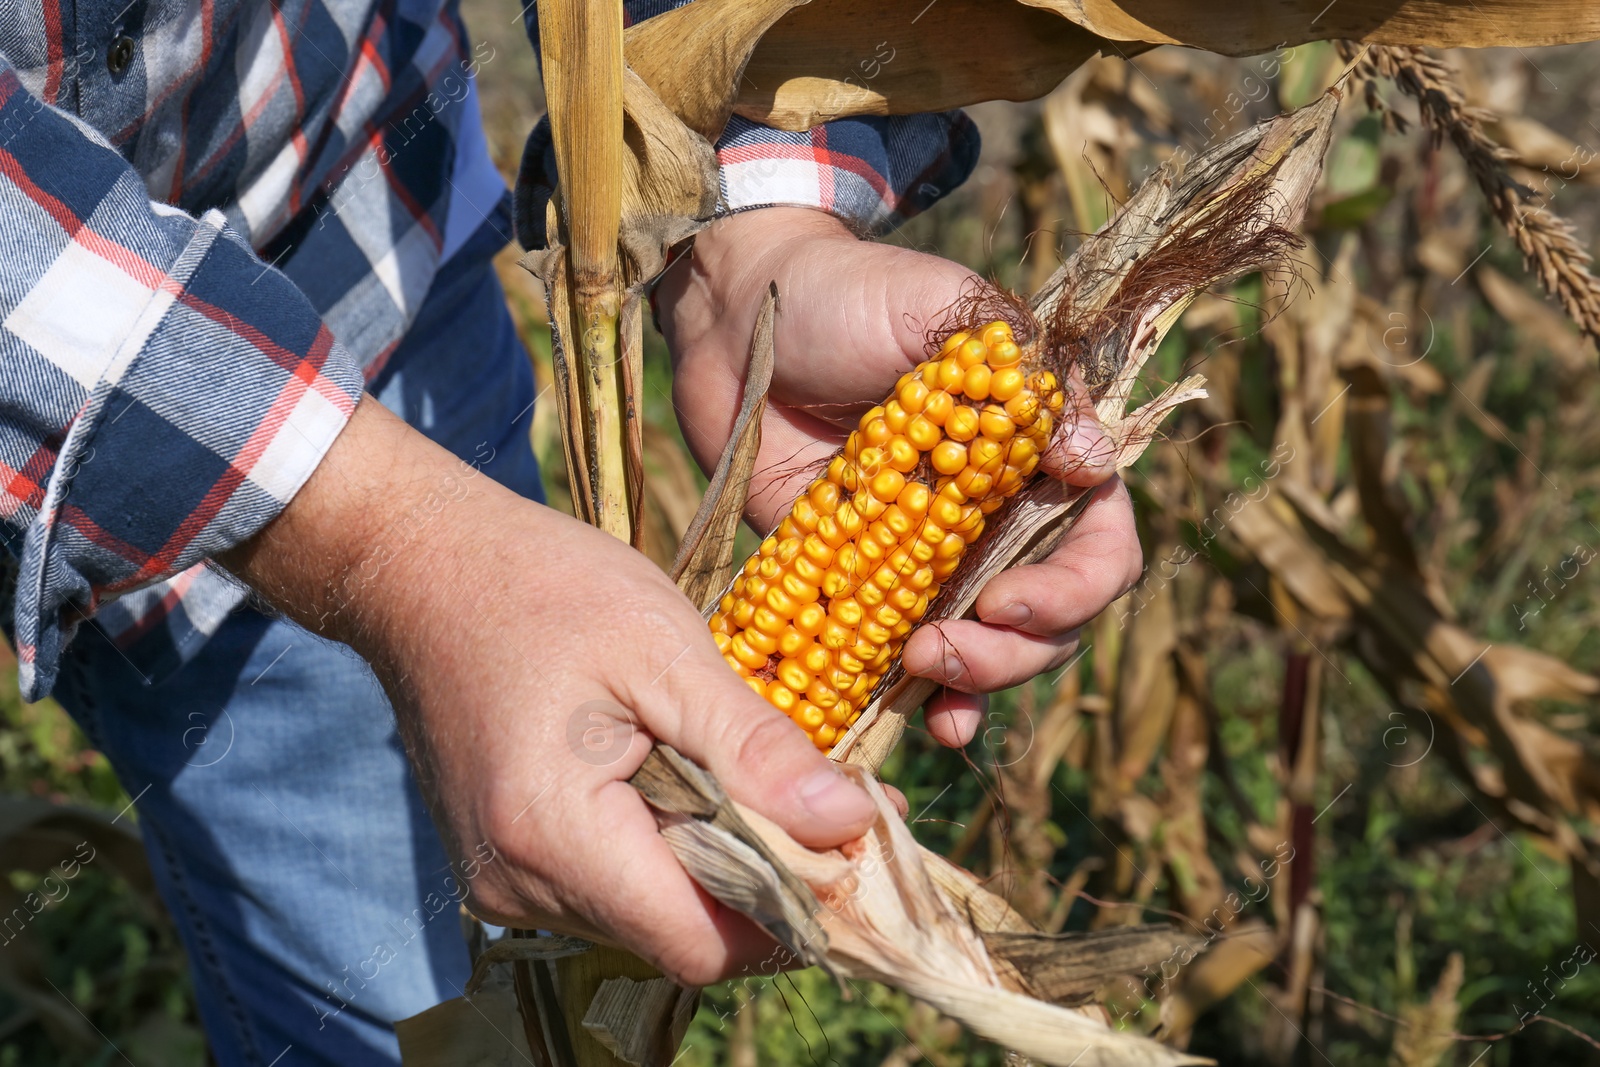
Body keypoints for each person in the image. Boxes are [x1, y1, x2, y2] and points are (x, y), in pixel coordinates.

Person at [0, 0, 1142, 1062]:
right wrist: (393, 550)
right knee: (379, 971)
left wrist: (749, 242)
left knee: (483, 901)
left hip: (356, 213)